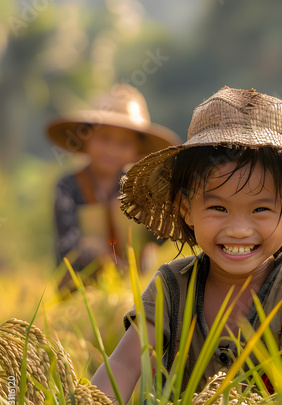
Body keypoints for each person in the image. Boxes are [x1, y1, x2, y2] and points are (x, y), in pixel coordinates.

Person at [91, 87, 282, 402]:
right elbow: (121, 365)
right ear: (185, 208)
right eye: (218, 208)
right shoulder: (172, 286)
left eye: (260, 210)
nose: (239, 230)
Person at [47, 84, 181, 286]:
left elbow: (161, 235)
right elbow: (67, 245)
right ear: (86, 138)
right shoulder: (67, 187)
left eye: (123, 143)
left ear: (137, 147)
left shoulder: (141, 188)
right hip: (79, 287)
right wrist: (99, 257)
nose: (112, 150)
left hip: (135, 286)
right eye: (105, 138)